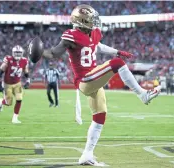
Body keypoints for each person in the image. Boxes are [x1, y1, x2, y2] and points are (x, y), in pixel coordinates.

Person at [42, 4, 161, 166]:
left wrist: (116, 51)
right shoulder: (71, 35)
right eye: (91, 19)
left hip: (94, 77)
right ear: (82, 21)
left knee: (100, 116)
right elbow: (55, 53)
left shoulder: (93, 33)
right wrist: (40, 52)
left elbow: (96, 46)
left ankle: (87, 155)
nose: (95, 22)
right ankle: (142, 94)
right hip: (85, 79)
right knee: (117, 64)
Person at [0, 45, 30, 124]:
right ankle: (2, 102)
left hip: (17, 84)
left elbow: (26, 72)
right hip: (7, 84)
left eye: (19, 53)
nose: (18, 55)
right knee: (9, 103)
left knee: (19, 99)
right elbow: (1, 71)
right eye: (16, 53)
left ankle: (15, 118)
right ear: (13, 53)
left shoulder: (24, 60)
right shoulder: (8, 59)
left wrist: (28, 81)